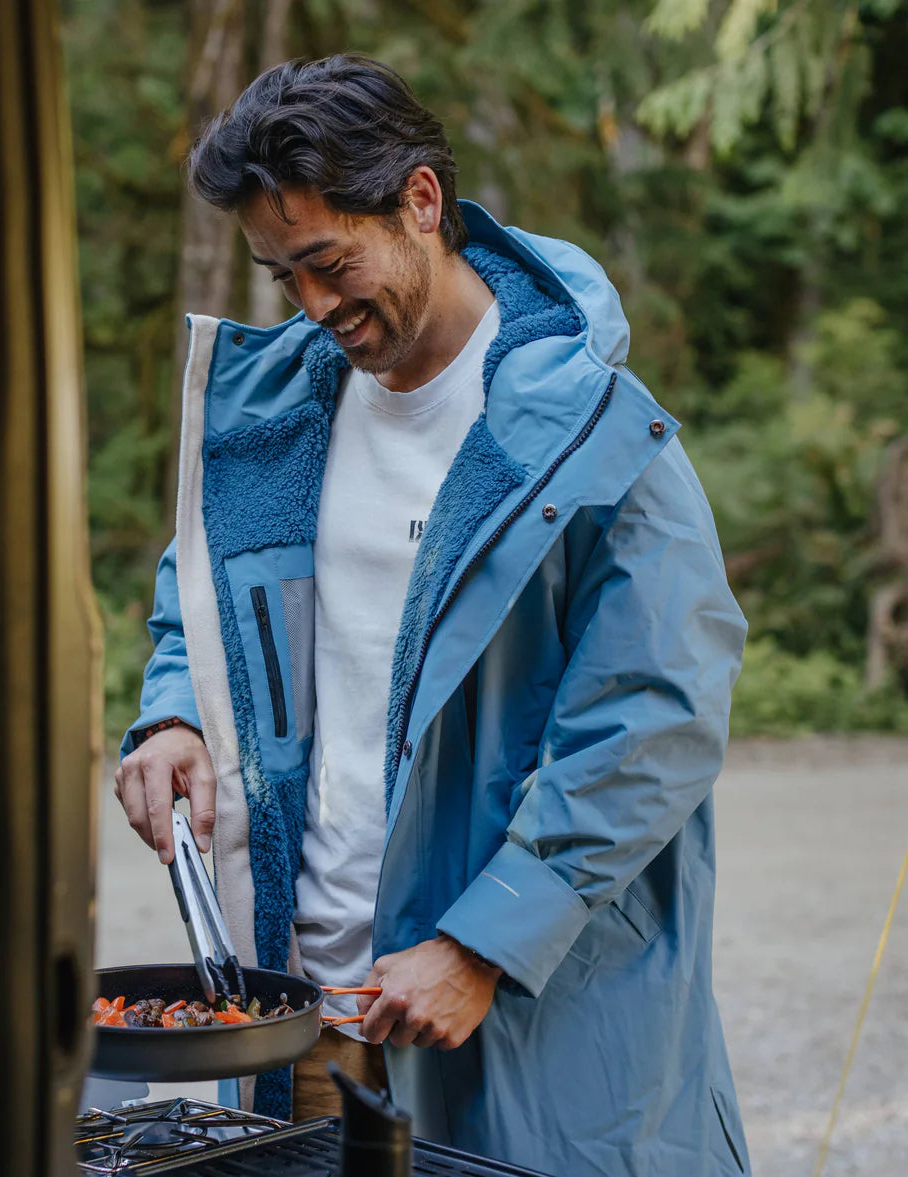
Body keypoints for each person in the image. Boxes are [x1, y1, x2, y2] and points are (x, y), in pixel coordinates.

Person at [114, 54, 750, 1177]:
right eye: (281, 277)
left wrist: (482, 943)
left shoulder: (586, 427)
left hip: (506, 1010)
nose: (314, 308)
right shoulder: (278, 417)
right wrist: (172, 718)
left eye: (327, 262)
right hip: (300, 1008)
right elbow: (200, 604)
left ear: (420, 201)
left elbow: (657, 714)